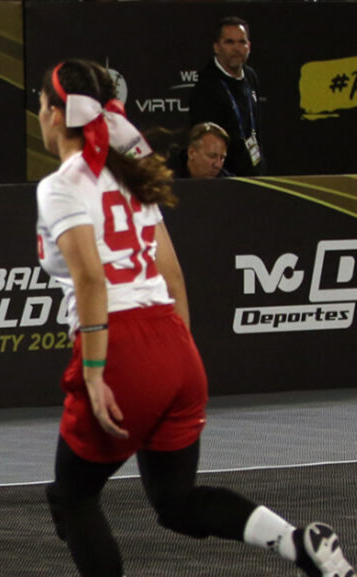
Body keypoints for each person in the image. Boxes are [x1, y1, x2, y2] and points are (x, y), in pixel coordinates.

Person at [35, 59, 353, 577]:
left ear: (54, 114)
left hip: (120, 349)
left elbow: (92, 280)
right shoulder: (131, 175)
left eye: (40, 107)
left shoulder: (61, 186)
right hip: (175, 343)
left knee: (73, 498)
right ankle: (299, 544)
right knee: (175, 502)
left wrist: (94, 372)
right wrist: (175, 357)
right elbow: (174, 277)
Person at [189, 16, 265, 177]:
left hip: (254, 172)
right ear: (217, 47)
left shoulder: (251, 77)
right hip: (223, 177)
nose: (237, 48)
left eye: (242, 42)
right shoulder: (206, 87)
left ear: (249, 46)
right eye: (229, 42)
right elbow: (205, 145)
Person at [167, 122, 232, 179]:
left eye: (222, 158)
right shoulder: (167, 181)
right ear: (191, 153)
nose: (218, 165)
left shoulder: (231, 184)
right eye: (212, 156)